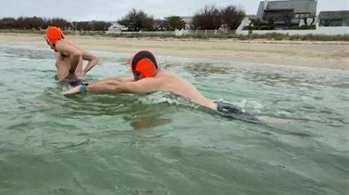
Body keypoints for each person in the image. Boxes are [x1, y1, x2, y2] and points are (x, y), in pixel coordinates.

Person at [63, 50, 259, 123]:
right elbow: (119, 80)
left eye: (135, 73)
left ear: (140, 72)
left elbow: (118, 87)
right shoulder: (162, 76)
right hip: (220, 105)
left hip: (224, 114)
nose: (133, 77)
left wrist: (83, 89)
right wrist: (89, 83)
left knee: (270, 123)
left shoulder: (156, 82)